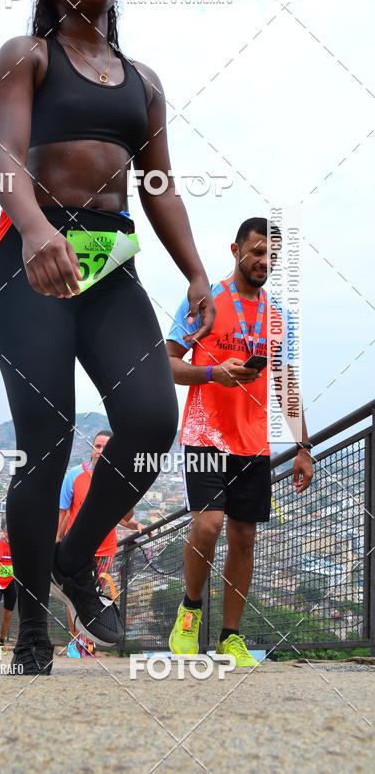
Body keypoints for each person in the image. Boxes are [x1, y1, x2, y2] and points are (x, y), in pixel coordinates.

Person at [0, 0, 214, 675]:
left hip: (110, 262)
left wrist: (197, 274)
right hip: (32, 259)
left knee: (149, 420)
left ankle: (75, 559)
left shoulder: (143, 81)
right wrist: (37, 229)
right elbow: (5, 155)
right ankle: (34, 637)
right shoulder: (27, 55)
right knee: (45, 444)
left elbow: (158, 185)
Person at [165, 217, 314, 666]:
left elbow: (286, 383)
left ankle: (230, 636)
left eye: (271, 255)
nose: (263, 262)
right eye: (256, 252)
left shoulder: (278, 316)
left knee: (244, 536)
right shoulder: (204, 302)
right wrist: (213, 373)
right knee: (208, 525)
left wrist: (303, 446)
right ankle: (190, 610)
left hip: (253, 442)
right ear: (235, 250)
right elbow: (166, 364)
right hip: (205, 433)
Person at [56, 429, 143, 654]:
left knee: (91, 597)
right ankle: (79, 643)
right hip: (75, 549)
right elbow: (63, 512)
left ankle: (86, 643)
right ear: (92, 448)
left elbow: (123, 516)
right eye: (97, 446)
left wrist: (136, 525)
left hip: (105, 549)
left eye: (106, 447)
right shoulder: (74, 475)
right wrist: (57, 543)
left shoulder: (118, 478)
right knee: (75, 597)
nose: (100, 451)